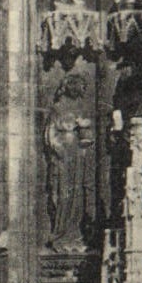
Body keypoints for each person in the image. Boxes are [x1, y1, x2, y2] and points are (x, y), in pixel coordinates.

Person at [44, 72, 93, 251]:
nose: (81, 90)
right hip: (63, 157)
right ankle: (60, 234)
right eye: (78, 85)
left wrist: (84, 133)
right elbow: (50, 136)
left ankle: (74, 234)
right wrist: (60, 152)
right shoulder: (57, 108)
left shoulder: (81, 108)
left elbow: (88, 135)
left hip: (77, 155)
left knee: (77, 195)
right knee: (63, 194)